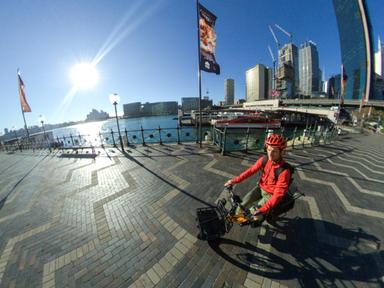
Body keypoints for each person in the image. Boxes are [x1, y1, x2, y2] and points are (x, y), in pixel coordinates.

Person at [224, 134, 291, 221]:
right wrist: (234, 181)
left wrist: (263, 210)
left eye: (274, 151)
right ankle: (235, 218)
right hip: (260, 187)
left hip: (270, 195)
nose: (270, 154)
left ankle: (255, 219)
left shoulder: (284, 171)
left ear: (281, 152)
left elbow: (278, 194)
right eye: (268, 149)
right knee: (243, 203)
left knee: (253, 213)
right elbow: (251, 171)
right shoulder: (264, 159)